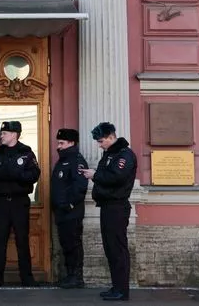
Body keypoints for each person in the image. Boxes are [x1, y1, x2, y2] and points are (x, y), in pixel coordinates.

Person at [79, 122, 136, 301]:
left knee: (118, 249)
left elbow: (116, 177)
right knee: (110, 249)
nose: (99, 144)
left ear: (112, 137)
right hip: (108, 206)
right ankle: (116, 287)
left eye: (101, 140)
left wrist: (94, 175)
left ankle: (122, 290)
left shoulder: (124, 155)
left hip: (117, 207)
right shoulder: (110, 154)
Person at [0, 120, 41, 287]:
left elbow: (34, 175)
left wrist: (14, 175)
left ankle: (27, 278)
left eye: (5, 133)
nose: (2, 135)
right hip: (1, 202)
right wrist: (6, 173)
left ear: (15, 135)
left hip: (19, 202)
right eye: (2, 133)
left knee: (22, 240)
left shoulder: (26, 152)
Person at [50, 128, 88, 289]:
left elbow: (80, 186)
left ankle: (76, 277)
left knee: (73, 244)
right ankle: (69, 275)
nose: (58, 146)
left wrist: (69, 204)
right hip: (61, 212)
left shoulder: (76, 161)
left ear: (71, 143)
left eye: (62, 143)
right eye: (58, 142)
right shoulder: (63, 160)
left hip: (71, 212)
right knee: (66, 244)